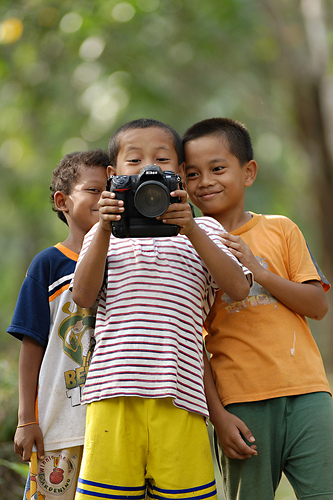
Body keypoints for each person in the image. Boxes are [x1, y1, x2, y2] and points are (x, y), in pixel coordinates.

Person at [71, 118, 252, 500]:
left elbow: (237, 289)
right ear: (112, 175)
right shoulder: (102, 236)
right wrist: (104, 228)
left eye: (162, 160)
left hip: (181, 396)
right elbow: (83, 297)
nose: (148, 169)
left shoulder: (207, 231)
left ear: (182, 175)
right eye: (134, 161)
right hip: (113, 393)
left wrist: (193, 229)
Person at [182, 117, 333, 500]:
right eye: (193, 174)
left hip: (308, 393)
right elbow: (192, 343)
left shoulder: (280, 229)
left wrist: (259, 270)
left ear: (248, 172)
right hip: (241, 403)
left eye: (218, 168)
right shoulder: (185, 248)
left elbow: (317, 305)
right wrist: (218, 416)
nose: (205, 182)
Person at [8, 149, 109, 500]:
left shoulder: (128, 257)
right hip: (61, 424)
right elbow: (32, 345)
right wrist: (26, 419)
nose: (104, 198)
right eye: (94, 190)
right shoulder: (48, 265)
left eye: (111, 190)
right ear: (62, 201)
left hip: (115, 421)